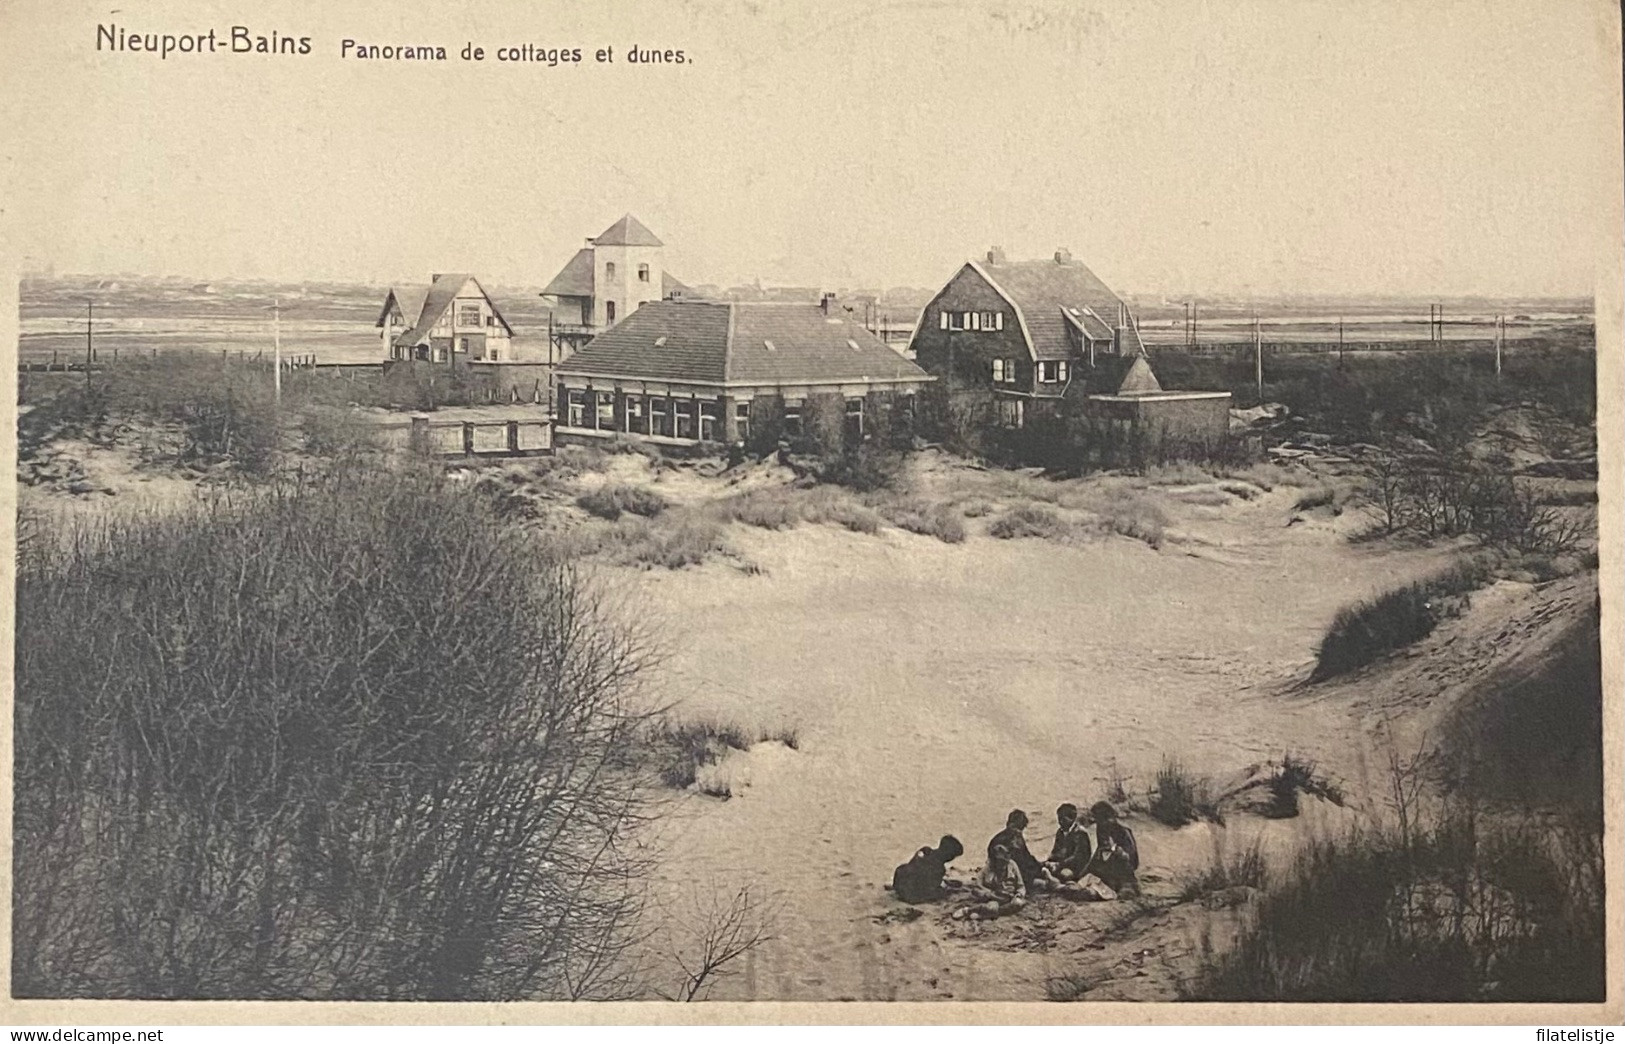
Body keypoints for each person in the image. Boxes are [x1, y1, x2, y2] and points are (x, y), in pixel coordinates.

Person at [954, 842, 1027, 921]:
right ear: (995, 860)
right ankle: (968, 910)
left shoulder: (1012, 865)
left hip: (1010, 897)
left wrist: (1019, 894)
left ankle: (985, 915)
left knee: (1019, 903)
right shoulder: (987, 868)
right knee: (992, 907)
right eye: (1000, 861)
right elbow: (977, 885)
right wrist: (990, 894)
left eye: (1005, 861)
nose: (1003, 864)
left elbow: (1020, 885)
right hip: (994, 898)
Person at [1084, 800, 1141, 896]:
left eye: (1100, 820)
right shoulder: (1099, 830)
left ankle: (1126, 886)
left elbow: (1130, 856)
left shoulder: (1122, 832)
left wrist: (1115, 850)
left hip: (1123, 866)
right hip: (1105, 867)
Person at [890, 835, 965, 905]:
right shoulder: (940, 869)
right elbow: (930, 886)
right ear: (949, 856)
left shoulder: (925, 851)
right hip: (910, 894)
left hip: (900, 883)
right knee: (941, 893)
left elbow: (916, 866)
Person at [986, 809, 1043, 887]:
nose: (1018, 832)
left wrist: (1040, 865)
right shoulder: (1002, 840)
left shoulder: (1015, 837)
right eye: (1017, 828)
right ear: (1009, 824)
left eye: (1020, 829)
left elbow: (1026, 856)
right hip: (1006, 872)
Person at [1042, 802, 1094, 884]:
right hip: (1062, 864)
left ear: (1072, 818)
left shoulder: (1080, 833)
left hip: (1077, 868)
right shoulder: (1060, 832)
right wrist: (1049, 861)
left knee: (1065, 875)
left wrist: (1059, 865)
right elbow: (1056, 851)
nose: (1060, 822)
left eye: (1063, 819)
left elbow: (1078, 858)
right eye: (1059, 819)